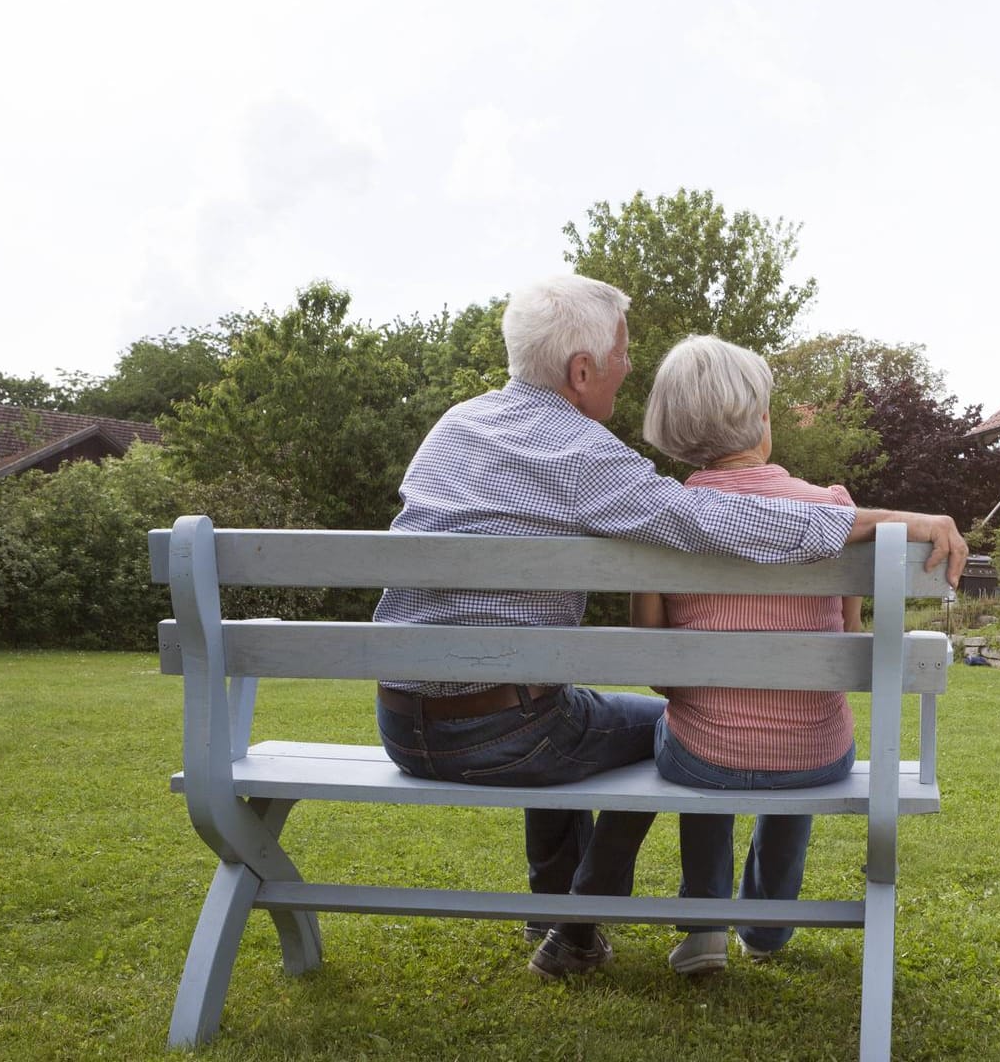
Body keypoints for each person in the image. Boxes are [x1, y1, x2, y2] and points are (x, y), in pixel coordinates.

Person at [370, 274, 967, 980]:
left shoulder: (456, 425)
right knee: (652, 725)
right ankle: (576, 928)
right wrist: (894, 521)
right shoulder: (580, 453)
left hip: (404, 725)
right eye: (622, 352)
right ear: (581, 370)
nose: (630, 365)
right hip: (508, 734)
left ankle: (561, 916)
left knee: (584, 712)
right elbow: (717, 521)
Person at [633, 334, 866, 976]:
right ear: (762, 422)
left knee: (689, 736)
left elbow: (656, 672)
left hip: (703, 757)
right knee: (797, 748)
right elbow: (846, 645)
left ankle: (703, 926)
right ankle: (766, 927)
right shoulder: (835, 512)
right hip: (814, 755)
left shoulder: (662, 520)